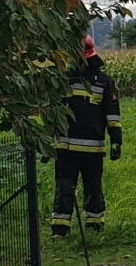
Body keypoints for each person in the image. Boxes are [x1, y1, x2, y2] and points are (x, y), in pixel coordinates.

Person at [52, 36, 121, 236]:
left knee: (93, 188)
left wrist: (116, 140)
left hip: (93, 150)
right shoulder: (63, 80)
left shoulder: (104, 82)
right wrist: (48, 144)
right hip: (64, 149)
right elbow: (53, 113)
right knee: (64, 189)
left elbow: (113, 114)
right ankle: (60, 230)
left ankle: (94, 227)